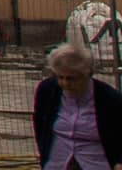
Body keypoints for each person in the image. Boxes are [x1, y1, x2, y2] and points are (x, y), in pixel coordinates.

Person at [43, 40, 113, 170]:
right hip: (59, 156)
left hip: (95, 158)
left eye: (71, 78)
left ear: (87, 75)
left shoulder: (108, 97)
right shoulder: (47, 90)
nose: (65, 83)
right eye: (60, 77)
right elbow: (41, 124)